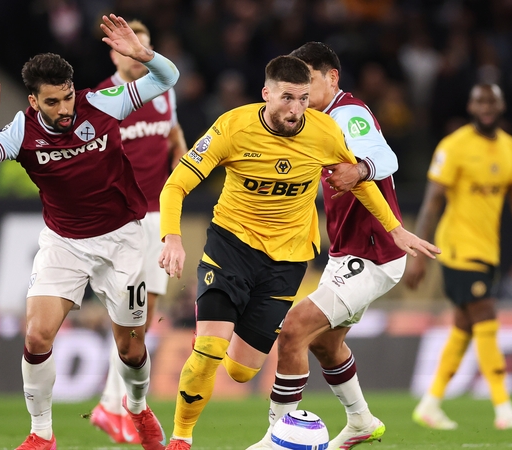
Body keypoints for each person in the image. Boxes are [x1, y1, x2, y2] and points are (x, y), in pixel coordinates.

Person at [158, 55, 439, 450]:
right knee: (213, 349)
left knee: (241, 371)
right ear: (266, 94)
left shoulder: (327, 129)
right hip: (231, 246)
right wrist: (171, 237)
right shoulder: (233, 126)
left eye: (303, 99)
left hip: (286, 261)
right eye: (287, 98)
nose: (296, 109)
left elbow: (364, 179)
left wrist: (395, 228)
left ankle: (359, 420)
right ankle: (183, 438)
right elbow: (176, 185)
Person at [0, 14, 179, 450]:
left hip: (123, 240)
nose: (65, 109)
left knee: (131, 349)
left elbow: (168, 78)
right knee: (36, 336)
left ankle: (136, 406)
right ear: (33, 101)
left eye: (68, 97)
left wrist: (142, 54)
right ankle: (42, 434)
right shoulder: (21, 131)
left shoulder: (104, 103)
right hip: (64, 243)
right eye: (52, 102)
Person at [246, 41, 416, 450]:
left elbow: (385, 157)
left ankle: (277, 438)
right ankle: (360, 421)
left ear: (332, 77)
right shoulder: (312, 122)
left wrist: (360, 169)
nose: (301, 92)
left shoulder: (347, 113)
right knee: (325, 342)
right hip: (347, 251)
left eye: (308, 80)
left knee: (293, 330)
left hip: (374, 252)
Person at [405, 83, 512, 430]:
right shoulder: (454, 146)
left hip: (488, 250)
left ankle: (430, 403)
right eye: (480, 101)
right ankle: (503, 407)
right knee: (486, 317)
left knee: (463, 326)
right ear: (471, 107)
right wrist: (419, 254)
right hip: (458, 249)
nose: (486, 107)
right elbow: (432, 202)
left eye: (492, 101)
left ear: (501, 106)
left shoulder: (511, 149)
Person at [89, 19, 188, 445]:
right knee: (130, 317)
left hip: (158, 217)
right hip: (123, 220)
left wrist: (183, 165)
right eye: (128, 47)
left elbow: (174, 135)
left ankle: (112, 407)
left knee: (144, 318)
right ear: (114, 52)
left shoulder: (163, 91)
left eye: (143, 48)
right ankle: (113, 407)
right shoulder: (103, 99)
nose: (137, 55)